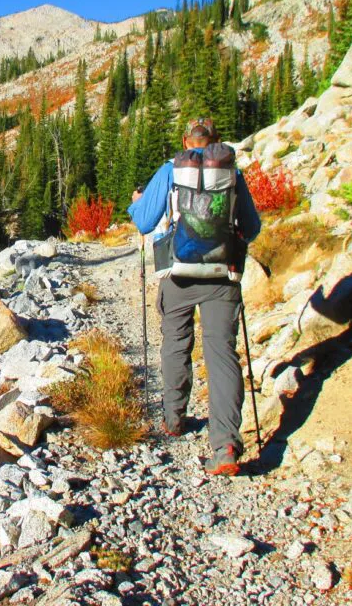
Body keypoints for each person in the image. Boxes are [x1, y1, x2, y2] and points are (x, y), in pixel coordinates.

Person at [128, 117, 262, 476]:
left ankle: (174, 418)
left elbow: (143, 222)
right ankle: (225, 446)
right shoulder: (232, 172)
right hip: (222, 276)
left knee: (175, 342)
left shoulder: (171, 170)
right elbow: (252, 228)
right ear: (215, 140)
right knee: (221, 353)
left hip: (178, 273)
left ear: (186, 140)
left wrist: (137, 202)